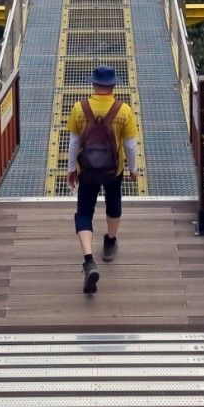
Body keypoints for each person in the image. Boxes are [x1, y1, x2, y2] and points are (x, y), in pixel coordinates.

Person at [67, 64, 138, 293]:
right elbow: (129, 146)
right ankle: (109, 242)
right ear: (113, 85)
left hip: (87, 171)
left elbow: (74, 143)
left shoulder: (79, 108)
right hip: (112, 170)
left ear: (94, 84)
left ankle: (88, 260)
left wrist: (71, 169)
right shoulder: (124, 110)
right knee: (113, 202)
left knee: (84, 211)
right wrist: (133, 170)